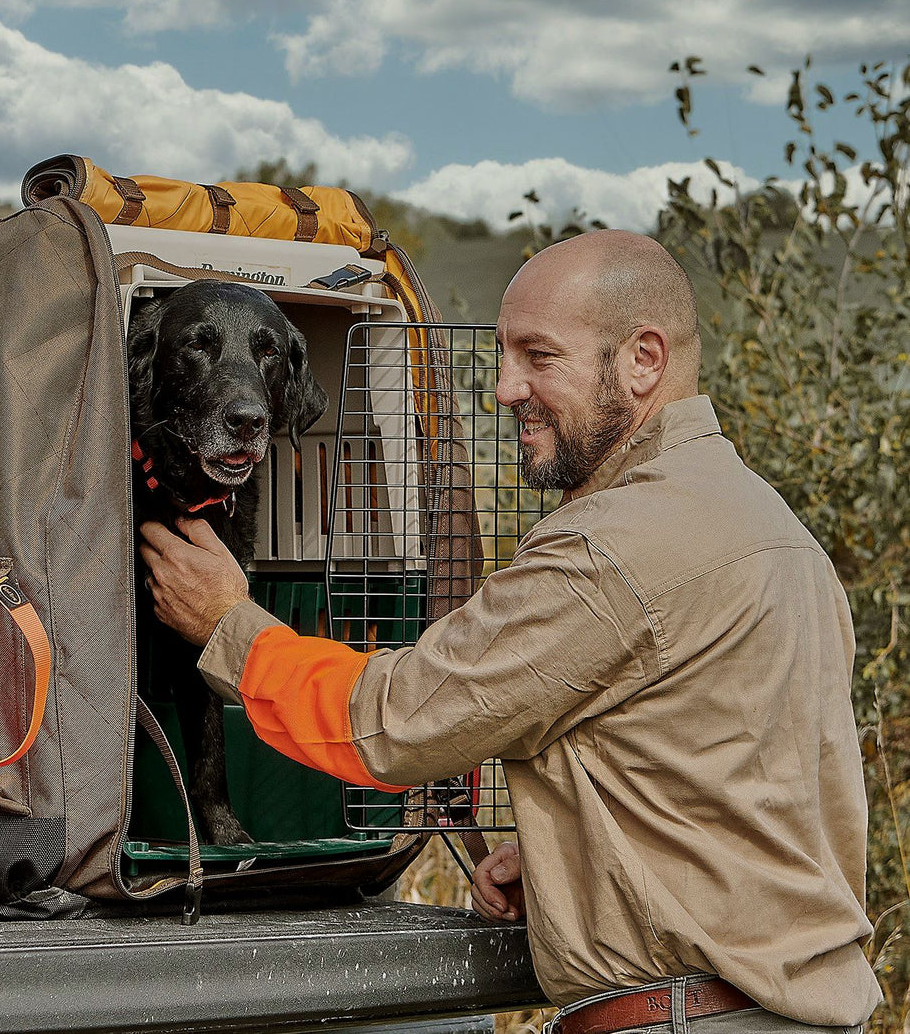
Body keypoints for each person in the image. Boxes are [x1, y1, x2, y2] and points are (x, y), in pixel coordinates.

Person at [138, 230, 880, 1034]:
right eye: (501, 354)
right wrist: (586, 866)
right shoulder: (768, 528)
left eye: (538, 356)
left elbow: (393, 726)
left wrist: (226, 623)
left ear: (642, 361)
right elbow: (745, 775)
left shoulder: (613, 546)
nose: (502, 388)